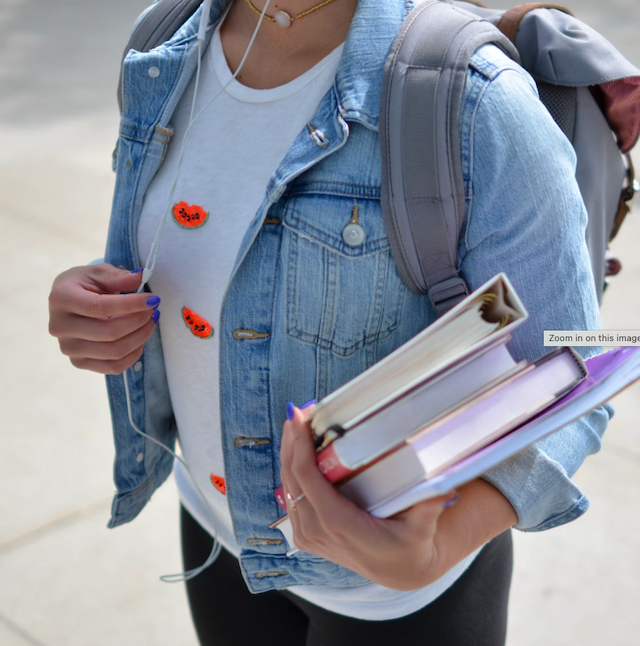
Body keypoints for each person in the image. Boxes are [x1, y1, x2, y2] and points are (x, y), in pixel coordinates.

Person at [48, 0, 612, 643]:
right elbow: (202, 246)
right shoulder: (161, 47)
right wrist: (97, 300)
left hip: (400, 600)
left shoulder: (475, 101)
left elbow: (577, 361)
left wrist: (433, 549)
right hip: (215, 529)